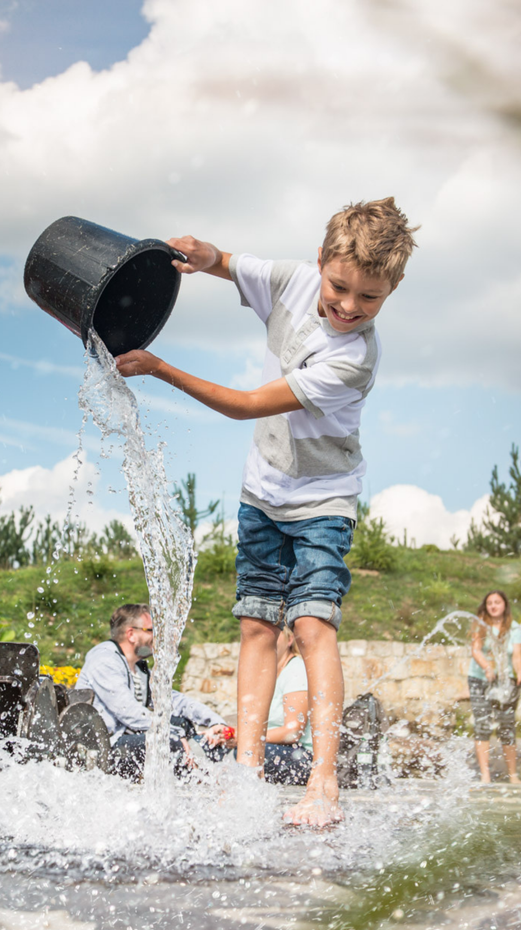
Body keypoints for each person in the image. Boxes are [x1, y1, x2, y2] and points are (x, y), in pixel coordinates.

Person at [114, 199, 417, 824]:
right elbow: (233, 264)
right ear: (320, 264)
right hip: (263, 494)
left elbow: (249, 404)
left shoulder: (352, 358)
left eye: (371, 298)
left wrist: (159, 368)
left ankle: (323, 783)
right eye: (340, 286)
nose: (350, 306)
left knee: (311, 629)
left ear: (392, 291)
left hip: (322, 503)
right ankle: (246, 777)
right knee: (256, 627)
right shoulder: (294, 279)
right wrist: (206, 258)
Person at [75, 603, 228, 778]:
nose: (157, 637)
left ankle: (203, 782)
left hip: (127, 738)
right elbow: (128, 712)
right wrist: (175, 735)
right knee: (171, 742)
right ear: (131, 634)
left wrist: (216, 723)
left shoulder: (138, 668)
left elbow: (175, 701)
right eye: (151, 630)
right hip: (102, 748)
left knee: (185, 725)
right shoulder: (104, 660)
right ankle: (195, 784)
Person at [468, 590, 521, 784]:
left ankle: (513, 775)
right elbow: (475, 650)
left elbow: (516, 655)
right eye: (489, 603)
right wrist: (486, 667)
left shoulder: (514, 628)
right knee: (482, 724)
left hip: (505, 680)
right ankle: (485, 774)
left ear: (504, 605)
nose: (493, 606)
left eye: (497, 602)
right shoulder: (480, 625)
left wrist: (520, 673)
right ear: (485, 607)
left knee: (507, 726)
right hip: (479, 679)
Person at [263, 630, 313, 786]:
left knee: (249, 751)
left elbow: (293, 732)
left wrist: (245, 738)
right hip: (273, 746)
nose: (268, 638)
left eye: (275, 632)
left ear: (289, 639)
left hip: (301, 755)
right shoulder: (268, 674)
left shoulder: (297, 670)